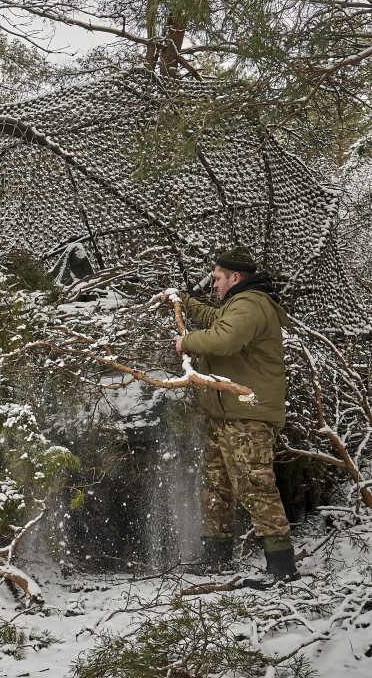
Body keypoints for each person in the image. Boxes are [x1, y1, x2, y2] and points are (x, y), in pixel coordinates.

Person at [161, 247, 299, 588]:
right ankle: (216, 559)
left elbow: (225, 338)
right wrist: (184, 303)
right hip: (225, 414)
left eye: (219, 278)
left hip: (247, 415)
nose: (215, 285)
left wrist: (185, 342)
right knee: (215, 486)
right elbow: (217, 320)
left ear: (235, 277)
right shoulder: (238, 305)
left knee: (255, 486)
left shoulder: (251, 304)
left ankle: (282, 568)